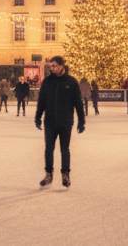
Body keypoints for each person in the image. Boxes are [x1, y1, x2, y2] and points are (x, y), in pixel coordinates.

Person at [35, 56, 85, 188]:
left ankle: (65, 175)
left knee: (65, 149)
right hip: (50, 121)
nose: (52, 68)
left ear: (62, 66)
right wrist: (38, 117)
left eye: (55, 66)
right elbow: (42, 101)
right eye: (51, 66)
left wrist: (82, 121)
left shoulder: (72, 82)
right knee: (48, 149)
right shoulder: (47, 82)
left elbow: (78, 103)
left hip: (65, 121)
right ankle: (49, 174)